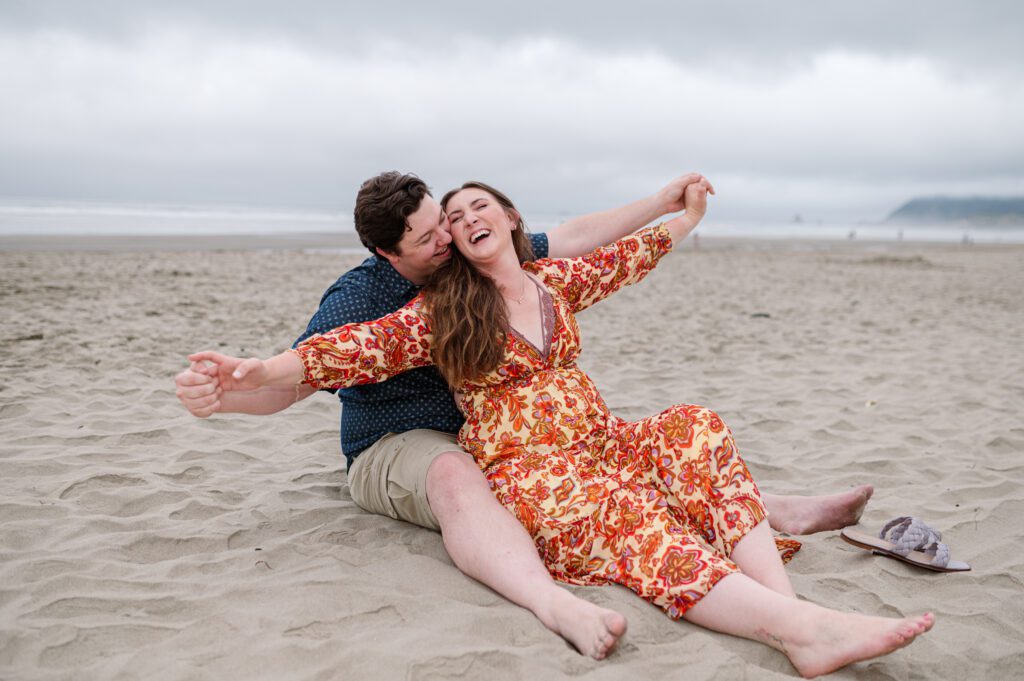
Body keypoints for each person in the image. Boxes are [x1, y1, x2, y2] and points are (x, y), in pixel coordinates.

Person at [187, 179, 930, 677]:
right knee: (633, 516)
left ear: (511, 221)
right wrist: (253, 371)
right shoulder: (433, 309)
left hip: (600, 443)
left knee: (695, 427)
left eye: (477, 209)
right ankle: (793, 629)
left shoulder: (552, 279)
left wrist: (684, 214)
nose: (459, 227)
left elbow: (624, 255)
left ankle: (793, 606)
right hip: (528, 470)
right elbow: (347, 351)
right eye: (447, 223)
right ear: (399, 249)